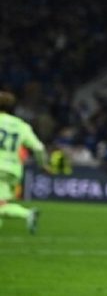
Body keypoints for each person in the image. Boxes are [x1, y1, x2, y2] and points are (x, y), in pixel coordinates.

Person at [0, 91, 48, 234]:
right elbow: (39, 148)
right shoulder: (21, 125)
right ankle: (27, 214)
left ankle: (26, 214)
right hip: (12, 170)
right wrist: (43, 165)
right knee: (1, 204)